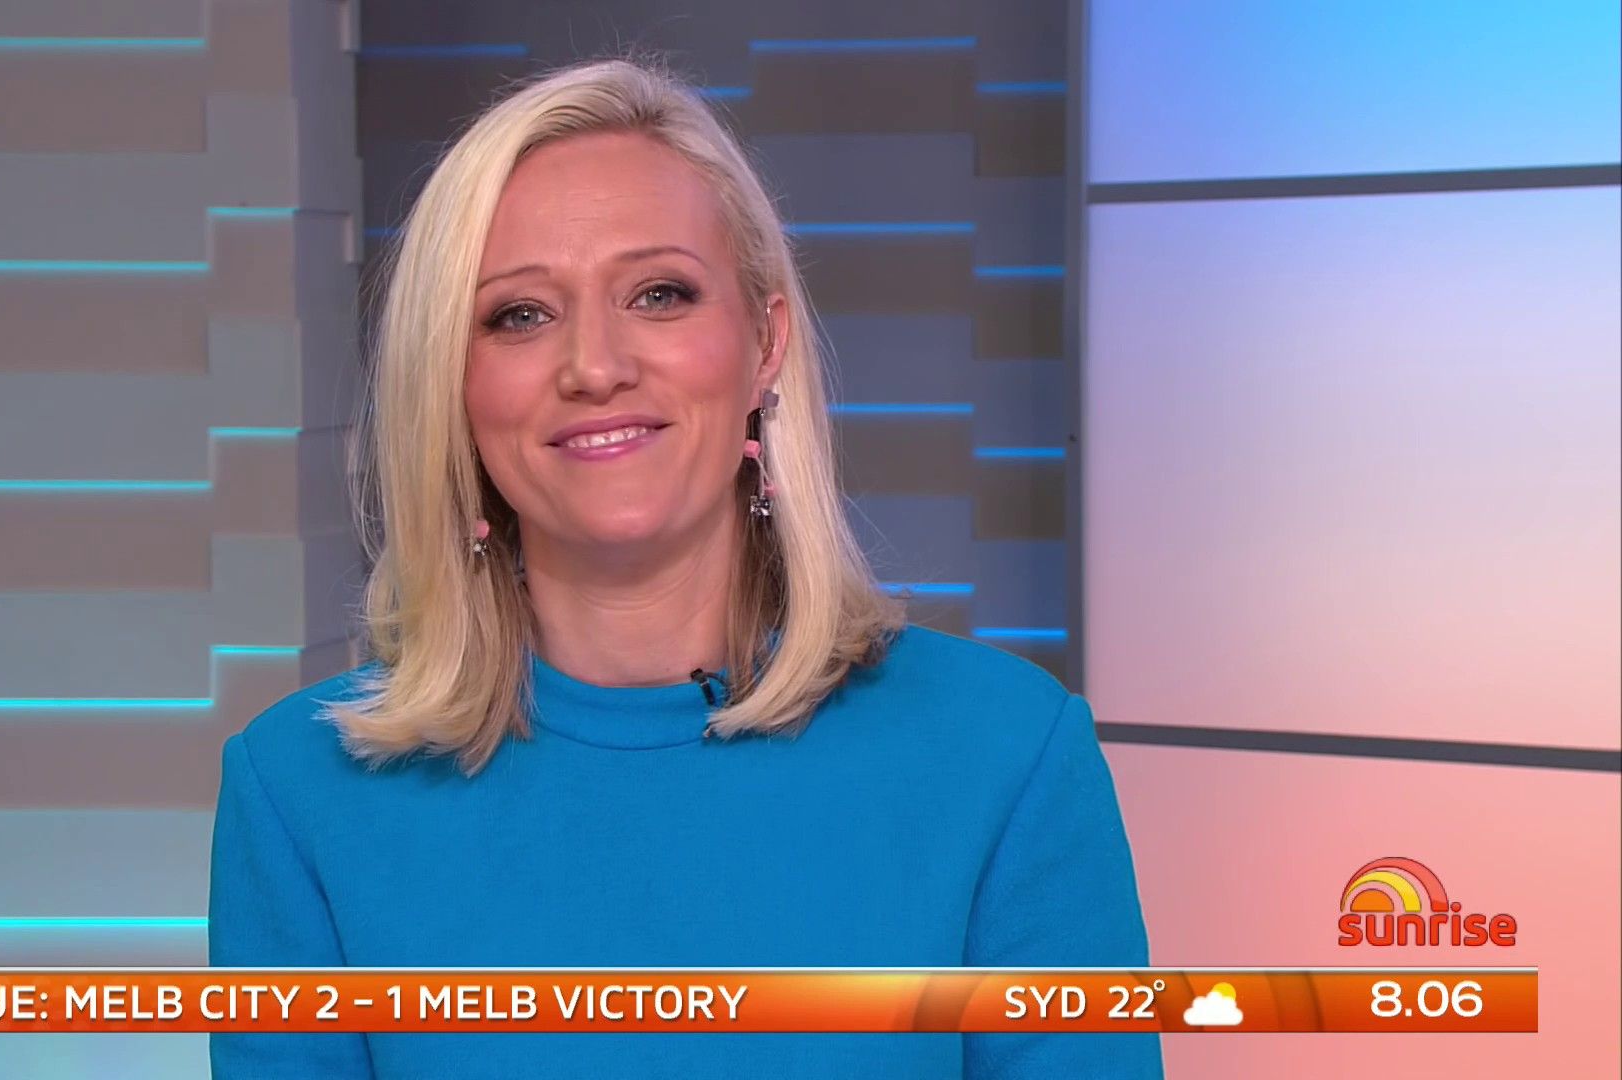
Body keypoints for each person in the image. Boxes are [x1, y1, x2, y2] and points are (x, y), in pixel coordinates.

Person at [208, 55, 1159, 1079]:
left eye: (659, 295)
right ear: (451, 382)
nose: (595, 366)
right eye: (520, 314)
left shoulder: (1006, 756)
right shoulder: (299, 794)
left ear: (764, 343)